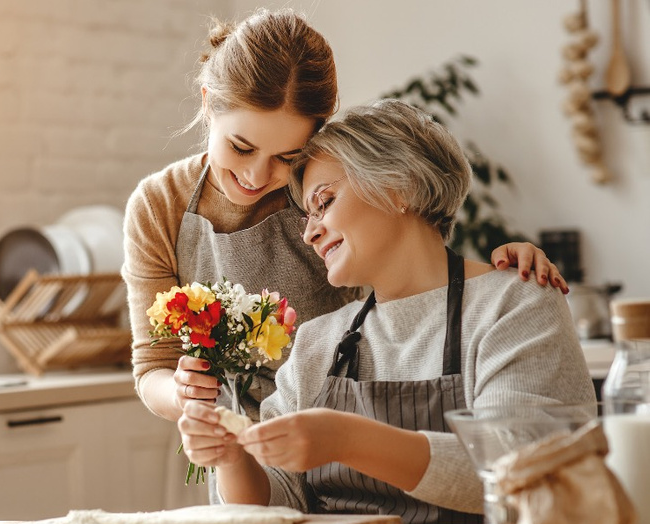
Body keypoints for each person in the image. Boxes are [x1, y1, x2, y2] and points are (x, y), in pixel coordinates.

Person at [124, 8, 566, 428]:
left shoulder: (325, 186)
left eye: (287, 156)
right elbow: (152, 366)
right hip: (237, 448)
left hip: (342, 430)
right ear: (207, 104)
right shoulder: (159, 206)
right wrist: (186, 395)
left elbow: (412, 281)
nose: (257, 176)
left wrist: (495, 276)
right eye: (240, 147)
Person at [176, 99, 596, 524]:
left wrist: (347, 438)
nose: (309, 232)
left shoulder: (514, 304)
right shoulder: (318, 342)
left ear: (399, 186)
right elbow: (278, 503)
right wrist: (232, 458)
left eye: (325, 201)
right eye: (307, 214)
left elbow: (522, 467)